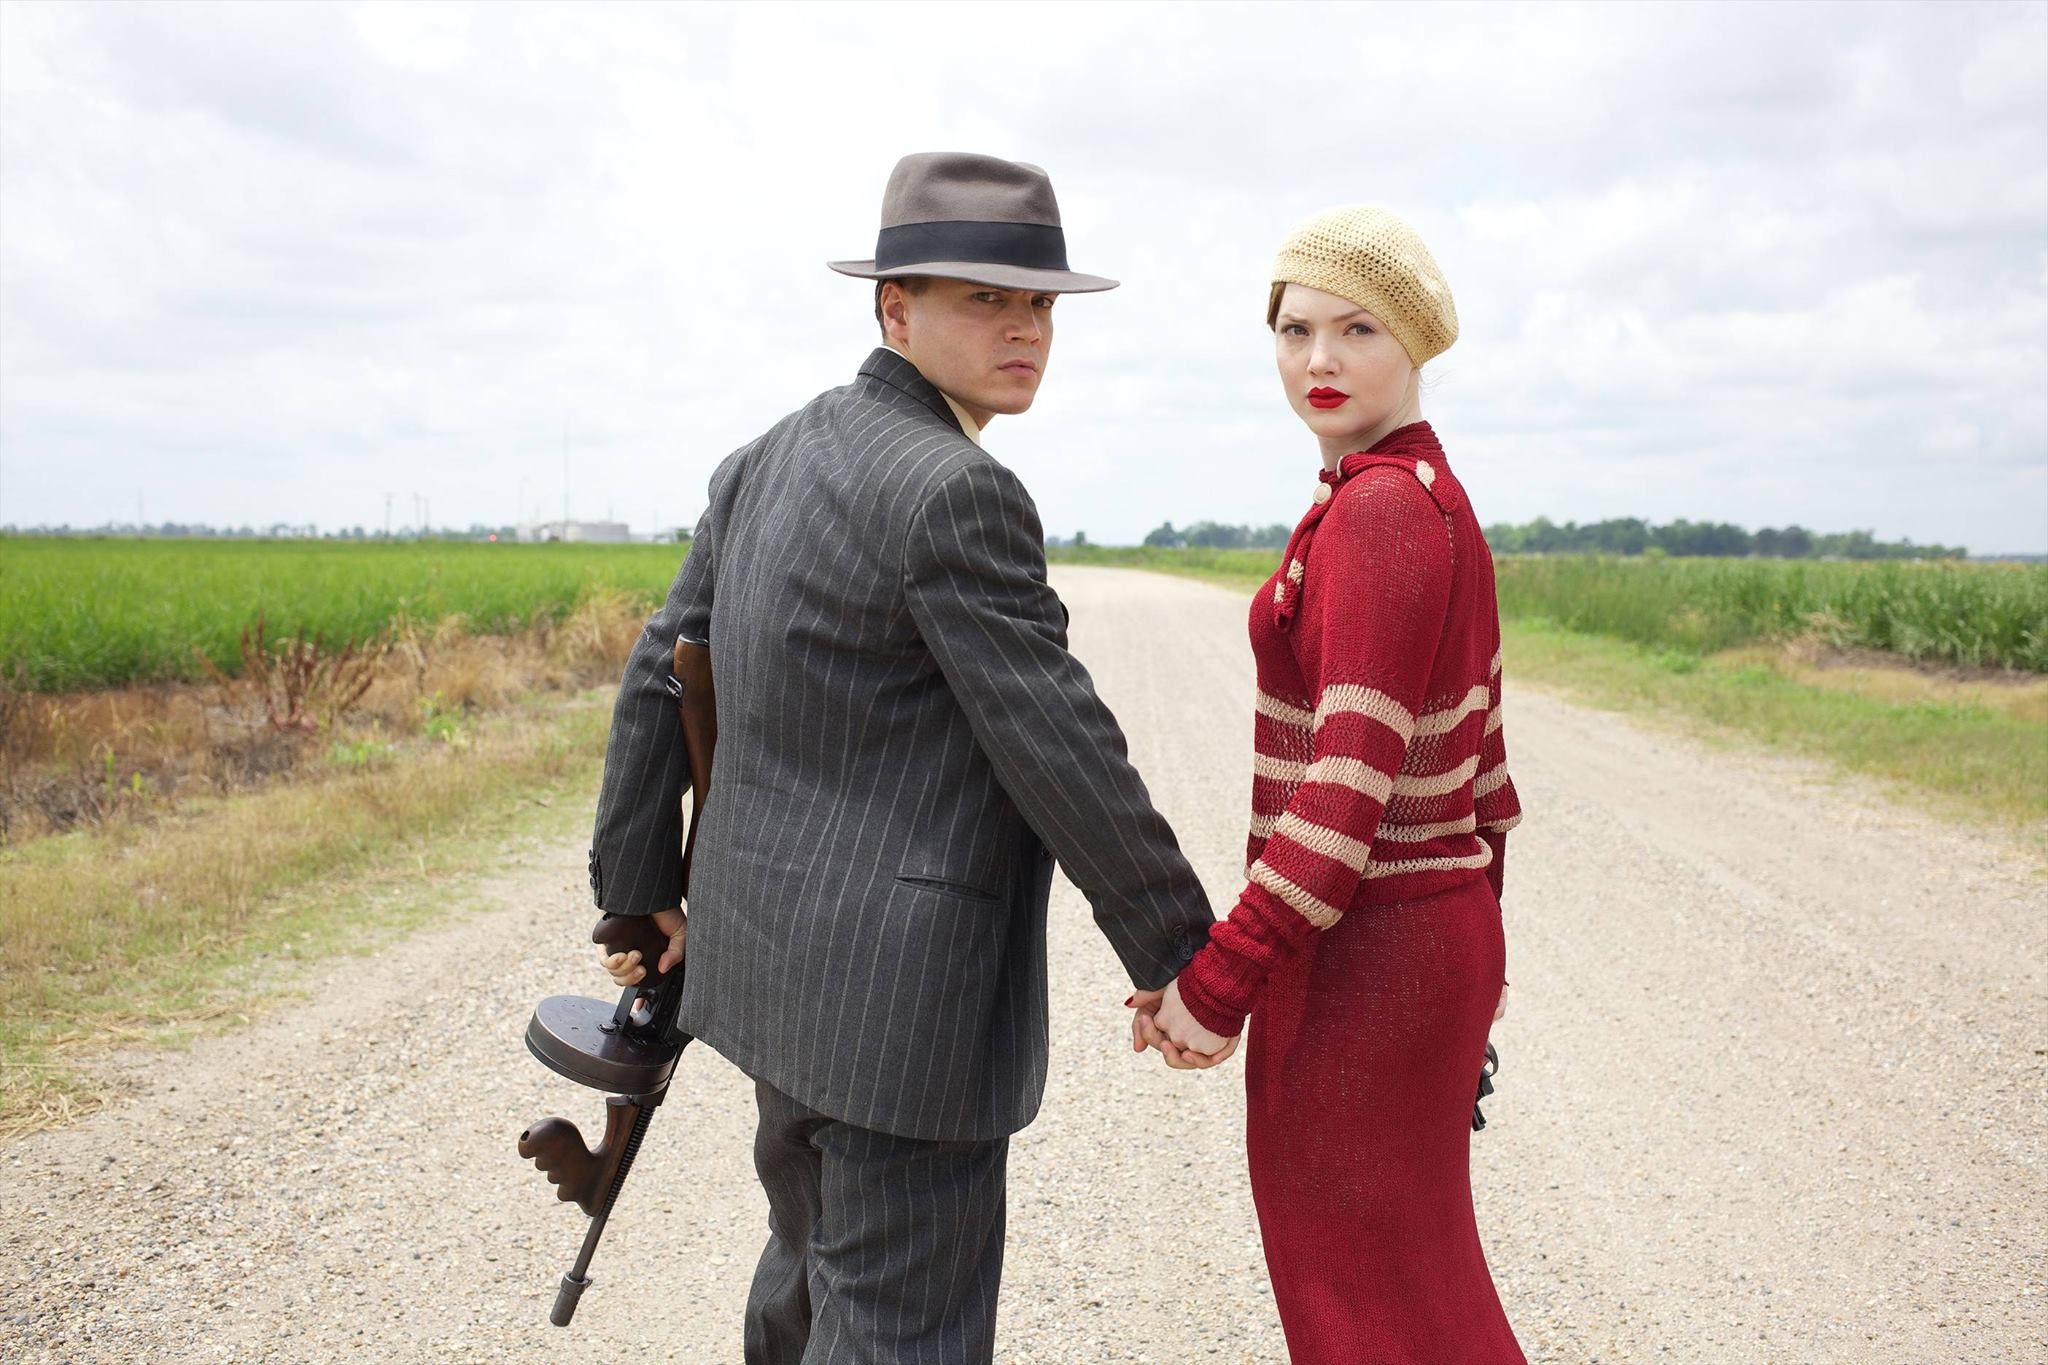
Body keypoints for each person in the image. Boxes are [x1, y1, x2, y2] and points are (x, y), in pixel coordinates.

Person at [586, 151, 1220, 1365]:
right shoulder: (956, 492)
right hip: (900, 1016)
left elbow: (653, 676)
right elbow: (1059, 747)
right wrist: (1184, 955)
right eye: (986, 300)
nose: (1025, 328)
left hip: (772, 974)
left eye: (1038, 304)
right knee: (896, 1328)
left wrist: (641, 892)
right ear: (893, 308)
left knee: (809, 1275)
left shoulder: (764, 458)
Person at [1133, 206, 1526, 1363]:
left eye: (1356, 329)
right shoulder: (1419, 498)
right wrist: (1478, 955)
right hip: (1421, 943)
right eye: (1294, 328)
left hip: (1372, 957)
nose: (1317, 359)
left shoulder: (1381, 513)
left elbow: (1343, 797)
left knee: (1360, 1308)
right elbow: (1486, 782)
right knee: (1411, 1291)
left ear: (1411, 345)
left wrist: (1220, 980)